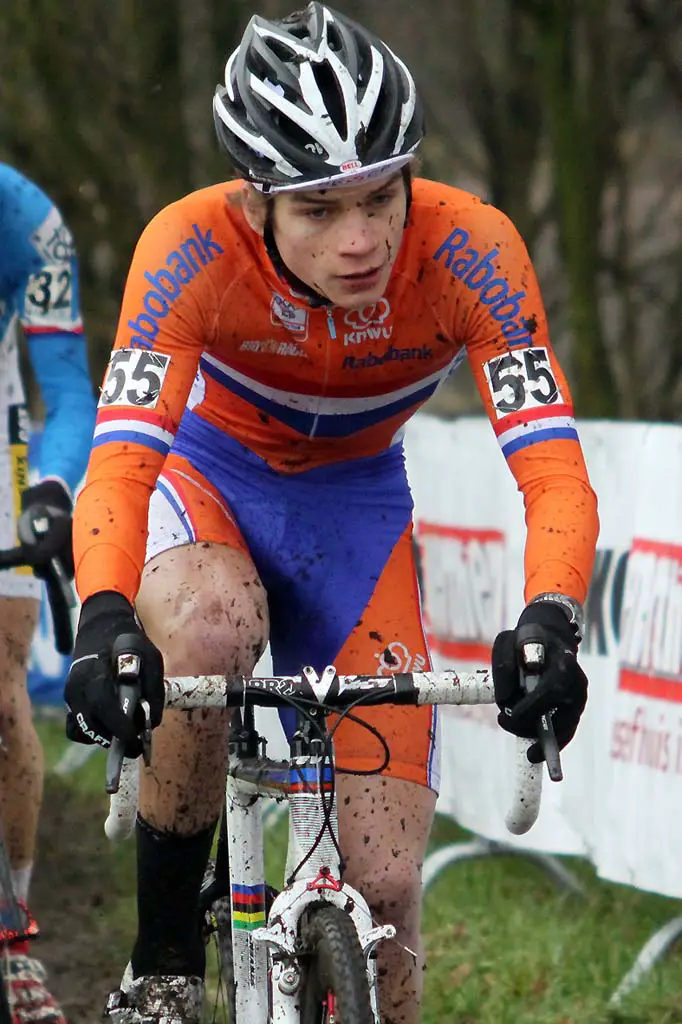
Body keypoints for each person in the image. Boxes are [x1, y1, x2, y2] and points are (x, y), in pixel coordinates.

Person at [64, 4, 599, 1022]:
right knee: (211, 626)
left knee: (389, 889)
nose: (359, 240)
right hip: (212, 480)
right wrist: (102, 616)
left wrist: (549, 617)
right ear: (255, 200)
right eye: (316, 210)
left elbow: (552, 468)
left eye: (379, 197)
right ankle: (166, 963)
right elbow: (126, 458)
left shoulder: (472, 247)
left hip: (356, 513)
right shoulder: (184, 245)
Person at [0, 162, 96, 1021]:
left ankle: (11, 933)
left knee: (1, 699)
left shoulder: (28, 216)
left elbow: (66, 388)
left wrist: (54, 487)